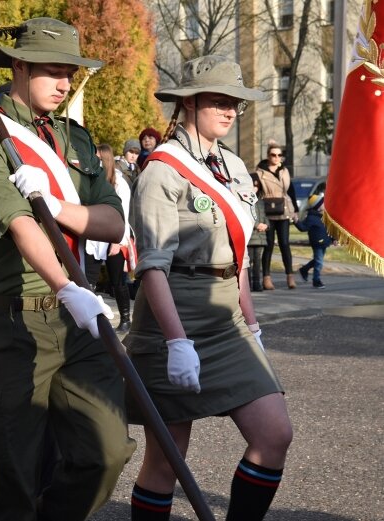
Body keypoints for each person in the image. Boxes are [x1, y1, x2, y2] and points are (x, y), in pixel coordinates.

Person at [0, 17, 136, 520]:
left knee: (107, 450)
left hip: (73, 319)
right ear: (18, 67)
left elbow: (112, 222)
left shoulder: (75, 141)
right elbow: (18, 224)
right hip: (13, 321)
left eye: (69, 73)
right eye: (52, 71)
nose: (63, 84)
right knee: (12, 471)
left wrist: (57, 205)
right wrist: (66, 286)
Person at [124, 55, 293, 521]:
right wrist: (177, 342)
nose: (228, 111)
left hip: (228, 321)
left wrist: (252, 324)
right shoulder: (161, 169)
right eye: (218, 101)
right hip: (172, 316)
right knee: (167, 458)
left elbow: (237, 258)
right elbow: (152, 267)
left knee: (273, 434)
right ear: (190, 103)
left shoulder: (236, 168)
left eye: (234, 103)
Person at [87, 143, 133, 333]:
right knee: (88, 281)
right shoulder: (90, 179)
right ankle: (90, 319)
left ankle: (125, 318)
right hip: (93, 236)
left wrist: (117, 240)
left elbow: (125, 213)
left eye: (97, 157)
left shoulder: (120, 183)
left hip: (114, 235)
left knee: (117, 281)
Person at [256, 143, 299, 290]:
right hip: (268, 211)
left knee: (285, 244)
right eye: (273, 155)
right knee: (268, 246)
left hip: (284, 210)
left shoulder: (284, 171)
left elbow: (291, 190)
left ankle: (290, 277)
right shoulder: (260, 171)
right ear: (268, 156)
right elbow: (256, 192)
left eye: (279, 155)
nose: (276, 158)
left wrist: (296, 210)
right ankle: (266, 278)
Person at [295, 193, 334, 288]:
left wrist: (333, 239)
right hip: (317, 242)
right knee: (319, 262)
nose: (325, 205)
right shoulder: (311, 217)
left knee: (317, 260)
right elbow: (303, 228)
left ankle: (304, 269)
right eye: (323, 203)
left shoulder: (325, 216)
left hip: (324, 241)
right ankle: (316, 281)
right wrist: (296, 221)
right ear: (318, 207)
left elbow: (330, 229)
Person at [248, 173, 268, 292]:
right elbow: (247, 216)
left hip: (260, 237)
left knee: (258, 262)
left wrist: (266, 225)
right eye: (252, 186)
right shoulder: (246, 200)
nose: (254, 188)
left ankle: (257, 283)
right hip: (251, 236)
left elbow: (264, 216)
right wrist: (256, 225)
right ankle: (248, 284)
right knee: (249, 262)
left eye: (257, 186)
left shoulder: (260, 202)